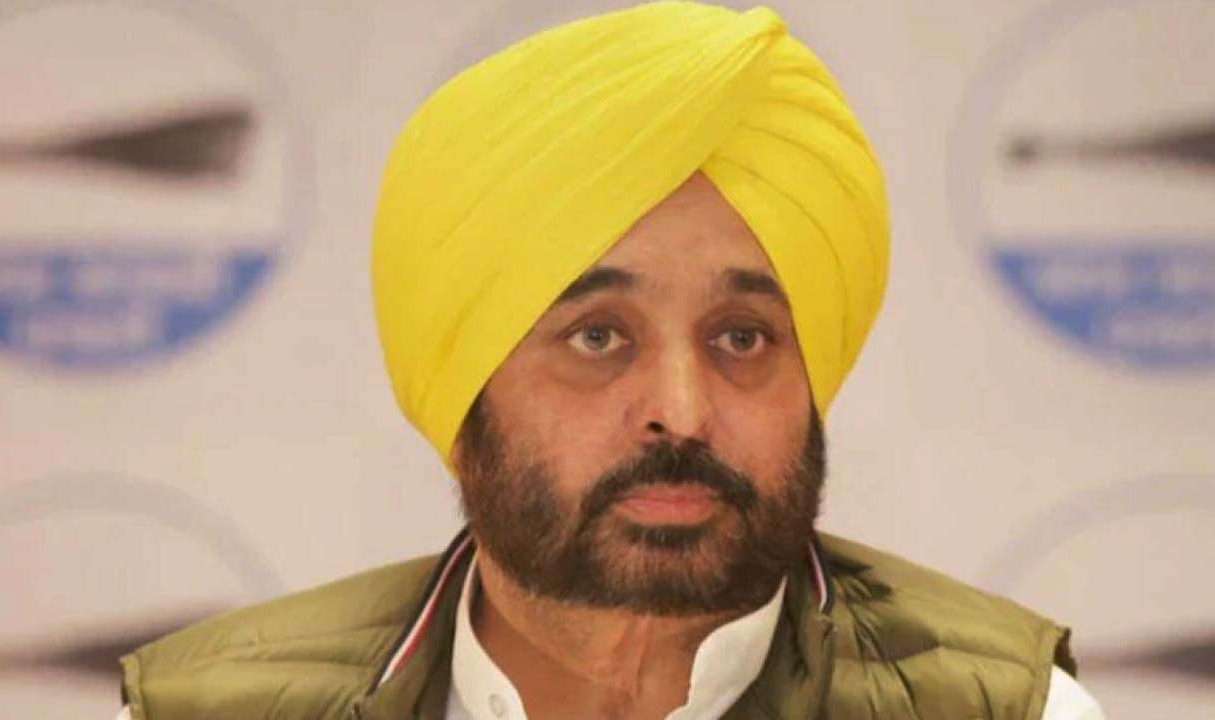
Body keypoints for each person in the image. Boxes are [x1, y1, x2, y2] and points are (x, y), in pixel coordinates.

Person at [117, 3, 1105, 718]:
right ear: (460, 387)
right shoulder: (211, 713)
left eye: (741, 338)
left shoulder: (1005, 712)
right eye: (597, 337)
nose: (681, 409)